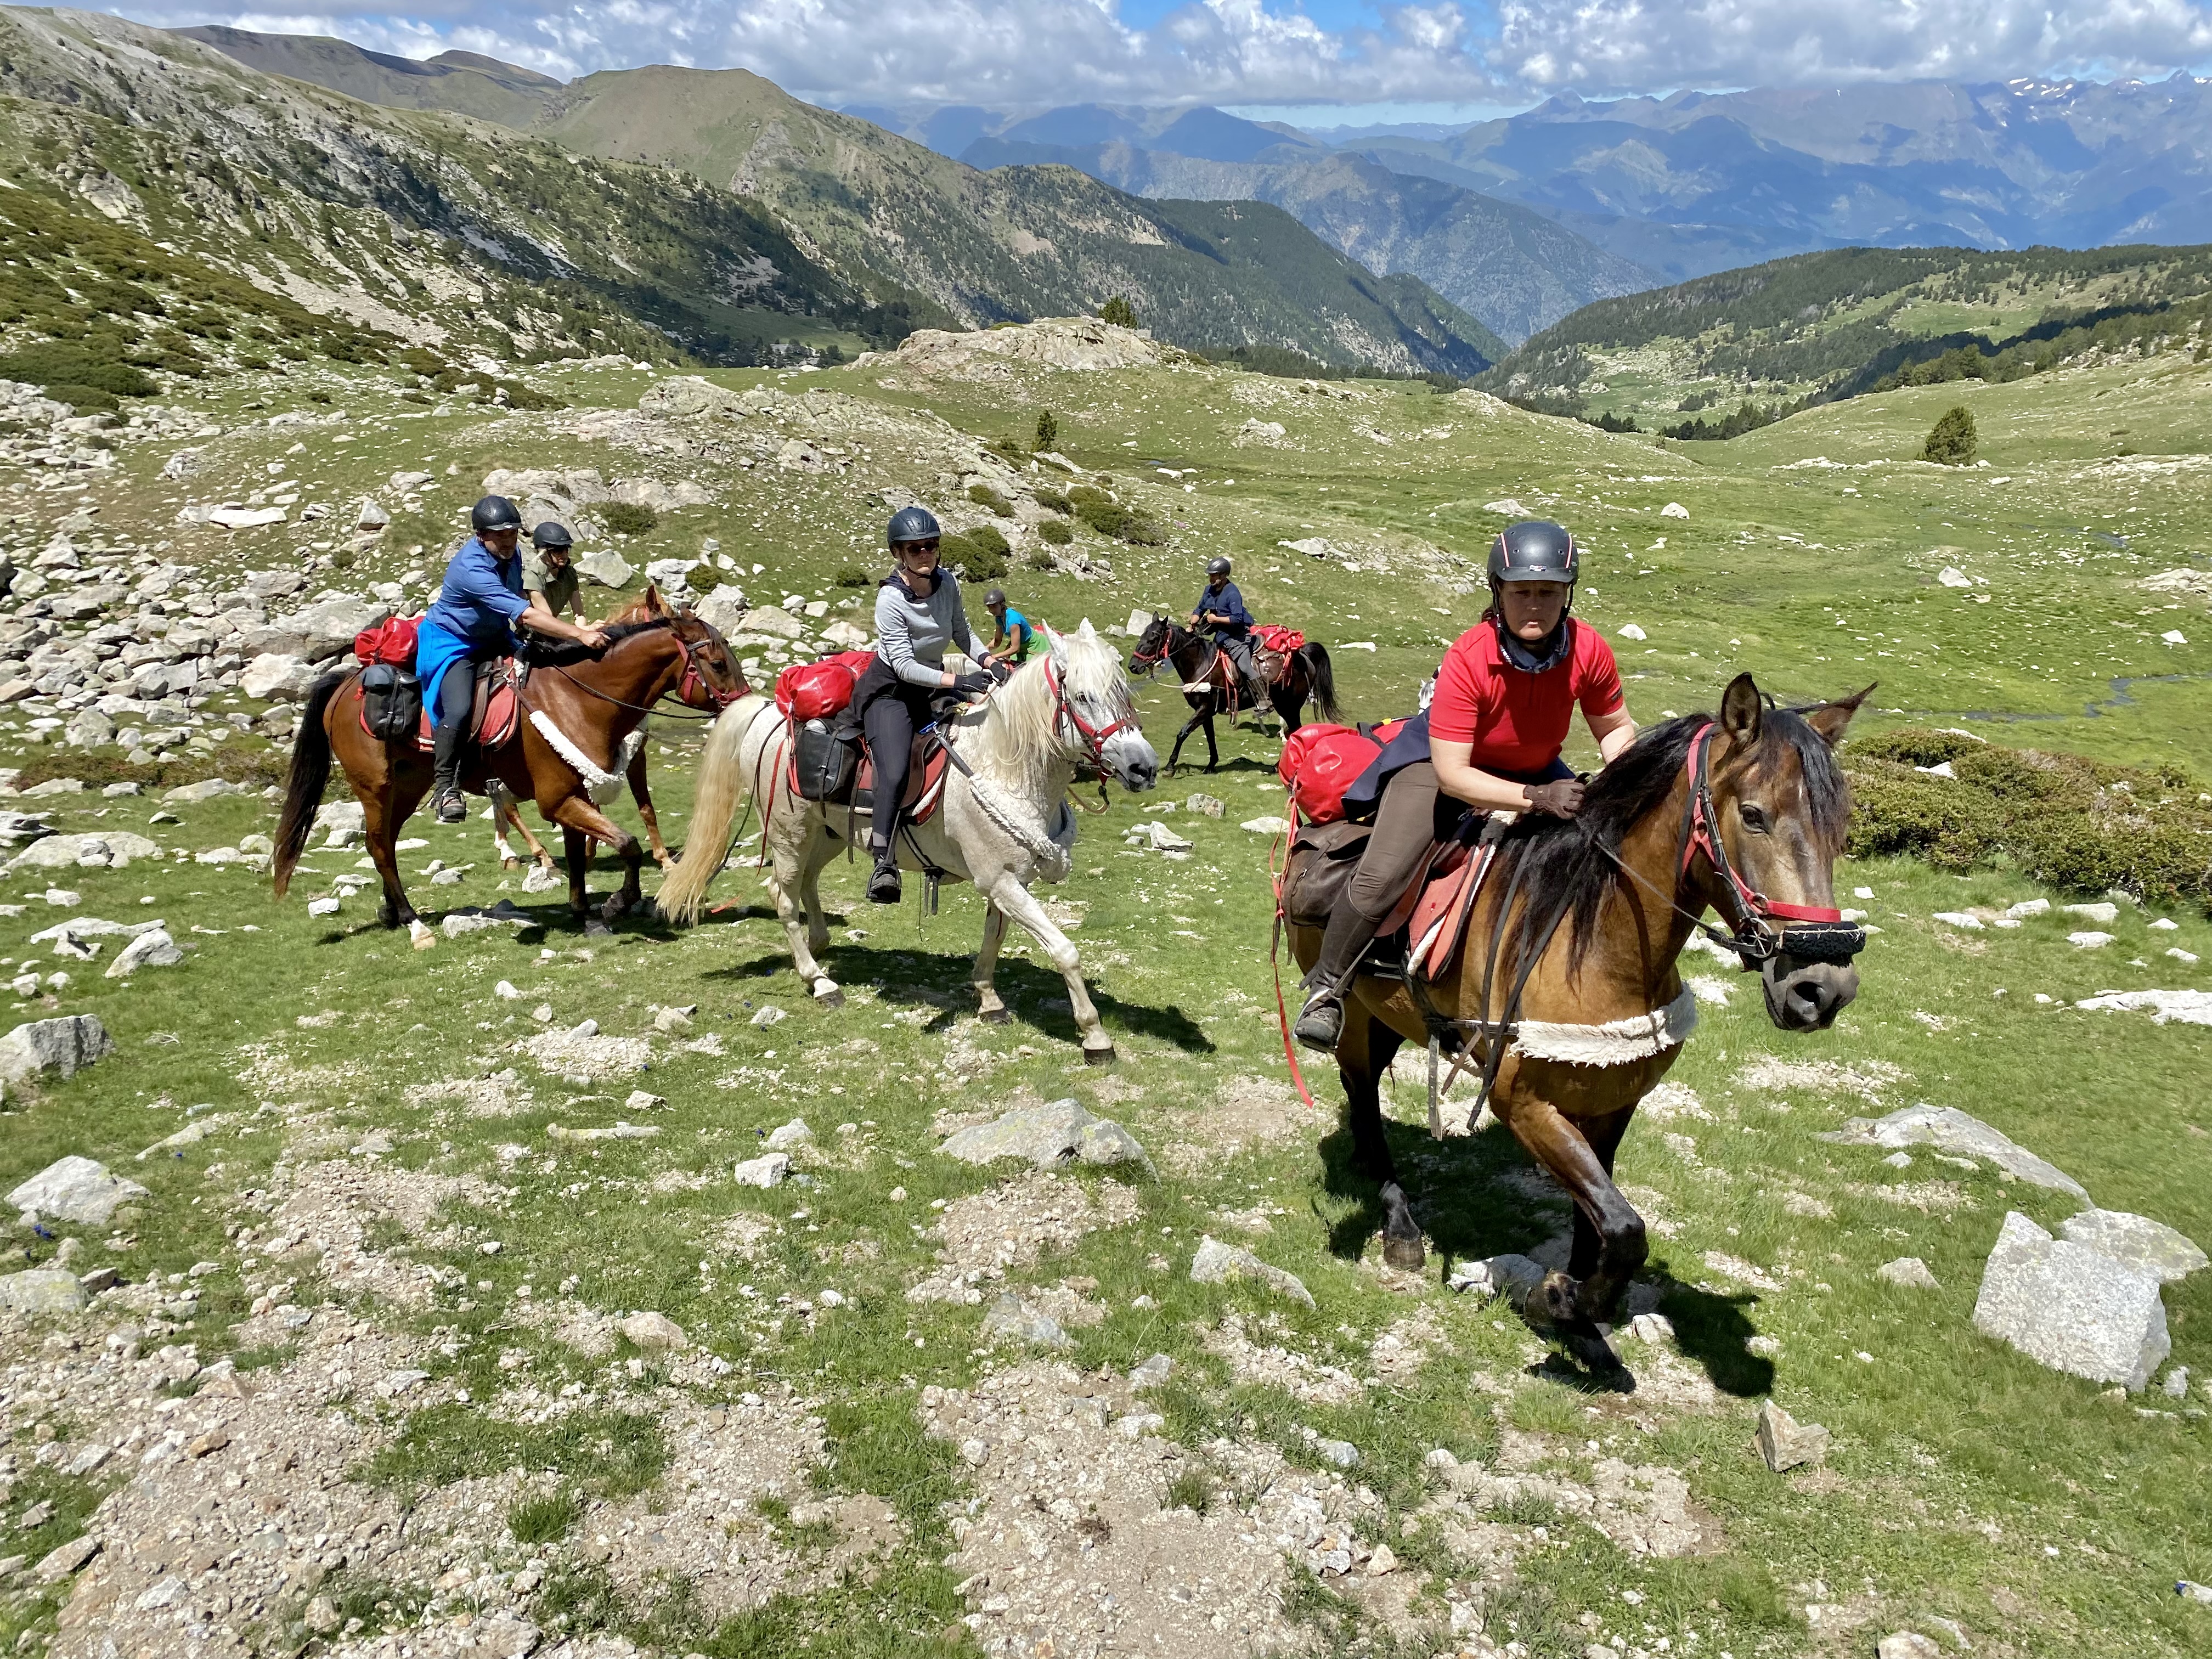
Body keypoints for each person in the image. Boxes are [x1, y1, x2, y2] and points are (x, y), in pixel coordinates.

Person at [1293, 520, 1638, 1049]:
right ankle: (1327, 989)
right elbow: (1455, 774)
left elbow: (1614, 729)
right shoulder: (1469, 657)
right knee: (1383, 875)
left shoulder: (1588, 649)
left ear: (1568, 595)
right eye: (1521, 591)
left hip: (1536, 767)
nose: (1535, 604)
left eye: (1549, 592)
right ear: (1497, 591)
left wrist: (1624, 782)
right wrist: (1537, 798)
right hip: (1438, 768)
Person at [416, 496, 608, 825]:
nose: (507, 539)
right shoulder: (471, 568)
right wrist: (578, 635)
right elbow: (521, 611)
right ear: (481, 535)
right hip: (454, 643)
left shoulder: (512, 553)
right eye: (499, 534)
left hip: (494, 637)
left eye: (512, 532)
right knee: (459, 708)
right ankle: (446, 787)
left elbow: (520, 598)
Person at [855, 506, 1003, 902]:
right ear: (899, 554)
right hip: (891, 696)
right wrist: (958, 680)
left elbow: (963, 633)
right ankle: (883, 864)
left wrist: (991, 663)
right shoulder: (890, 599)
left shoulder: (947, 583)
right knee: (897, 767)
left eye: (932, 546)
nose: (926, 553)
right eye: (915, 547)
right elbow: (903, 666)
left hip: (931, 688)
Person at [1188, 555, 1268, 705]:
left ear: (1224, 575)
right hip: (1220, 636)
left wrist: (1216, 619)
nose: (1211, 578)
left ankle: (1264, 699)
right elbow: (1200, 608)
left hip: (1237, 636)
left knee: (1244, 666)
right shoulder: (1209, 590)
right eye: (1210, 575)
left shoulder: (1233, 593)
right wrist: (1195, 618)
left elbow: (1237, 618)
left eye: (1214, 575)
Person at [522, 520, 583, 620]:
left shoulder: (569, 574)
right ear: (544, 552)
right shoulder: (532, 575)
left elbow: (579, 614)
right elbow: (547, 619)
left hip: (550, 629)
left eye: (566, 549)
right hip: (524, 633)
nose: (564, 555)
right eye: (558, 550)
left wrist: (584, 630)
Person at [984, 589, 1035, 664]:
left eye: (994, 606)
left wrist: (994, 657)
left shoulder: (1013, 619)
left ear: (1002, 604)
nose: (991, 611)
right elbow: (997, 641)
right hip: (1020, 647)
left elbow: (1015, 648)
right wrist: (986, 649)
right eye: (989, 607)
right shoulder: (999, 618)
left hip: (1031, 646)